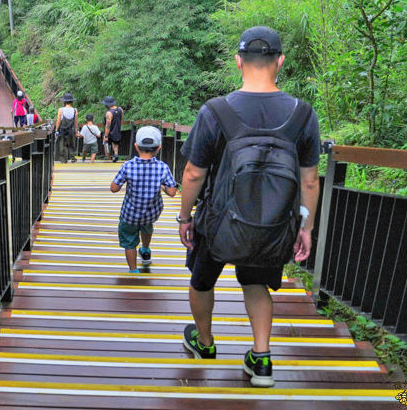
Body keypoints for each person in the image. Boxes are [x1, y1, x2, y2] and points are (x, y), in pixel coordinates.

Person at [177, 26, 321, 388]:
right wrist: (305, 227)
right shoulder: (303, 115)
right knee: (256, 283)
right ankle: (261, 359)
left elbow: (194, 173)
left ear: (238, 61)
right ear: (281, 61)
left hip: (218, 221)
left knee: (202, 281)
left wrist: (184, 217)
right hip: (272, 225)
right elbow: (308, 181)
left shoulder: (215, 111)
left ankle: (205, 344)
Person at [110, 126, 178, 273]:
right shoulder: (162, 167)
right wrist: (162, 187)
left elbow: (114, 188)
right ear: (158, 148)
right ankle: (145, 250)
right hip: (150, 213)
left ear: (136, 146)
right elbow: (172, 192)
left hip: (130, 215)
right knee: (147, 227)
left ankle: (134, 271)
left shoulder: (128, 166)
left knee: (129, 242)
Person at [55, 93, 78, 163]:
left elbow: (58, 121)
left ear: (64, 101)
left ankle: (64, 159)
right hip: (71, 129)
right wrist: (76, 129)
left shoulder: (61, 110)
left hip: (63, 129)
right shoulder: (75, 110)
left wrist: (56, 130)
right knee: (71, 143)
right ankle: (72, 157)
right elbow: (76, 121)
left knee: (63, 143)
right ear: (72, 102)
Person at [103, 96, 123, 162]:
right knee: (115, 143)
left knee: (106, 143)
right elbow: (121, 119)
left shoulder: (109, 113)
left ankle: (108, 159)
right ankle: (116, 154)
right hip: (117, 129)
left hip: (110, 130)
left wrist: (106, 136)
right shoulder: (120, 109)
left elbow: (108, 125)